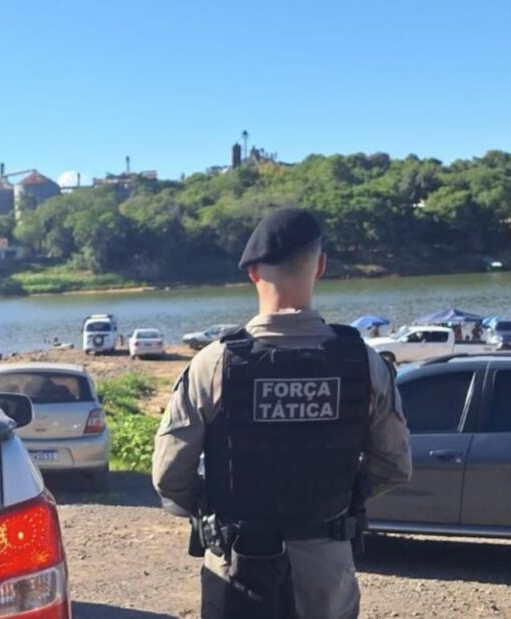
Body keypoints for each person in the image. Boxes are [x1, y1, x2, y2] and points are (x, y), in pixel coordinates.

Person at [152, 207, 412, 619]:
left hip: (237, 566)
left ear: (253, 273)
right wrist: (341, 501)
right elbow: (395, 466)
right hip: (326, 572)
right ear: (321, 266)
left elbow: (169, 476)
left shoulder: (214, 363)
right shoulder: (364, 363)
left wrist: (217, 505)